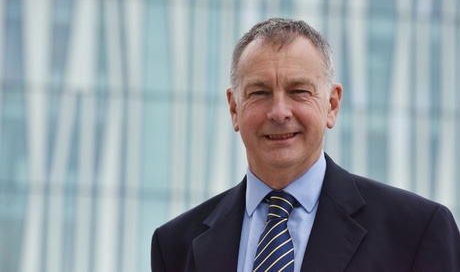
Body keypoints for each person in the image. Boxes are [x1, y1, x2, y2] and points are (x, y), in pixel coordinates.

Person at [151, 18, 460, 272]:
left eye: (299, 91)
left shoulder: (416, 230)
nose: (279, 112)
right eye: (259, 93)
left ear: (332, 105)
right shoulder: (175, 245)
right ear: (234, 108)